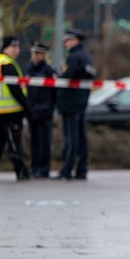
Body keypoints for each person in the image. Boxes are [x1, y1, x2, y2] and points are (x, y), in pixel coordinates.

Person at [0, 36, 33, 181]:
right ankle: (21, 171)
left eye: (18, 47)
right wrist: (27, 107)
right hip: (10, 111)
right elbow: (15, 89)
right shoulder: (7, 64)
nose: (17, 50)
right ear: (5, 48)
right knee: (14, 143)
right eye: (13, 47)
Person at [53, 28, 95, 181]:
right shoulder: (86, 57)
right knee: (81, 137)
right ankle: (82, 169)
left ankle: (67, 170)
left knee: (71, 138)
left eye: (67, 41)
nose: (66, 44)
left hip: (70, 102)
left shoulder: (73, 58)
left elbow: (66, 79)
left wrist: (57, 78)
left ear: (75, 40)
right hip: (81, 102)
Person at [26, 41, 58, 178]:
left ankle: (43, 169)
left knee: (44, 143)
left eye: (37, 53)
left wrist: (51, 108)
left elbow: (55, 92)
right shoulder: (29, 69)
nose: (35, 56)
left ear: (44, 55)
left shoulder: (49, 71)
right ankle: (34, 167)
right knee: (34, 142)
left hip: (44, 112)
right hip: (32, 111)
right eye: (33, 53)